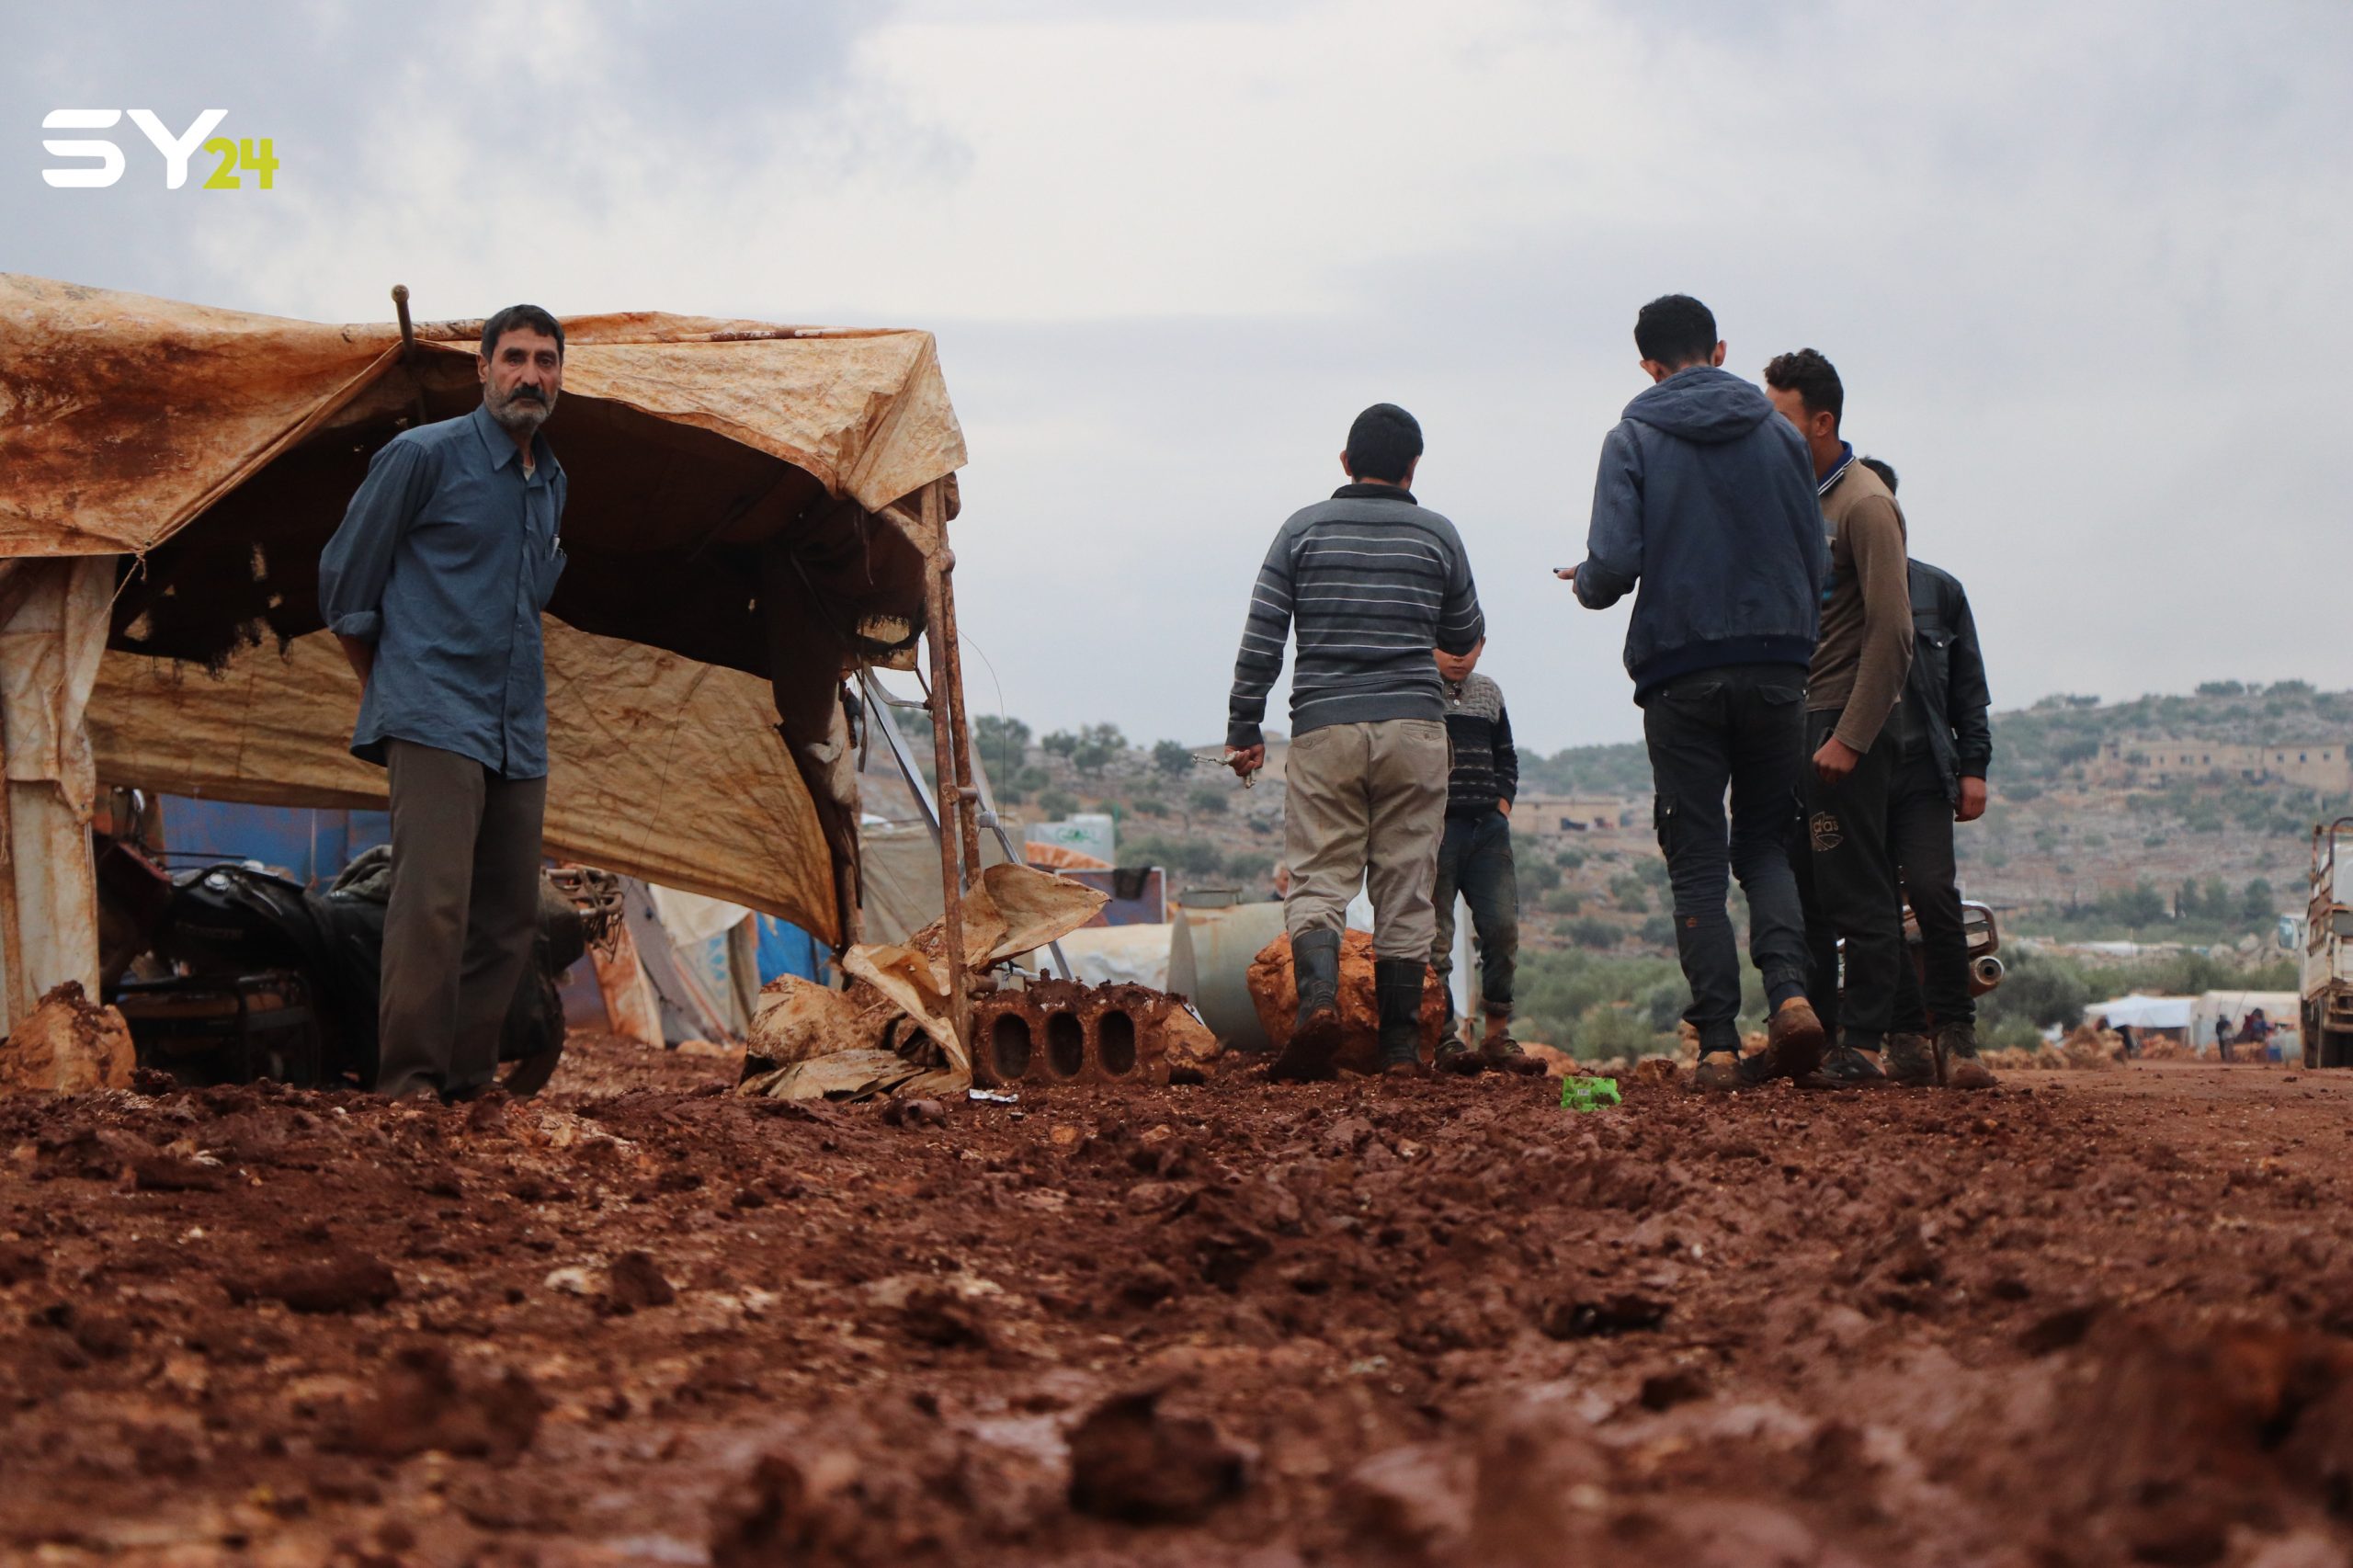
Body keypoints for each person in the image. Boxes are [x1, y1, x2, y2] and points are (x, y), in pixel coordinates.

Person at [1561, 295, 1830, 1087]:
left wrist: (1584, 585)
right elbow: (1816, 562)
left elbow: (1612, 569)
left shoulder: (1634, 436)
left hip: (1680, 672)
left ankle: (1716, 1043)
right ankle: (1790, 998)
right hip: (1780, 665)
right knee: (1766, 844)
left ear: (1647, 365)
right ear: (1718, 350)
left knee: (1699, 858)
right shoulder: (1782, 436)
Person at [318, 304, 571, 1100]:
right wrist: (391, 689)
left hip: (515, 726)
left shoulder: (552, 482)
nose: (530, 375)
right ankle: (409, 1086)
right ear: (484, 368)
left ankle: (466, 1084)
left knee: (507, 917)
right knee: (431, 907)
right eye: (515, 358)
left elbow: (528, 605)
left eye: (546, 361)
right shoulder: (422, 457)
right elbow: (344, 584)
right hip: (433, 714)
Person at [1226, 403, 1483, 1080]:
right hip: (1415, 728)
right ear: (1412, 468)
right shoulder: (1439, 536)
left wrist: (1244, 728)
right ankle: (1401, 1049)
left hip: (1325, 727)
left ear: (1345, 463)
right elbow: (1463, 635)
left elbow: (1262, 639)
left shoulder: (1301, 530)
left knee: (1318, 878)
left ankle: (1318, 1005)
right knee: (1406, 886)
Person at [1764, 348, 1913, 1088]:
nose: (1768, 427)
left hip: (1841, 726)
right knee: (1805, 894)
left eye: (1781, 416)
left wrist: (1851, 737)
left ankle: (1867, 1046)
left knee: (1859, 892)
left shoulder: (1865, 503)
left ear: (1822, 422)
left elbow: (1893, 632)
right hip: (1793, 720)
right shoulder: (1788, 498)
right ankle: (1818, 1040)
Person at [1427, 638, 1540, 1076]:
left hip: (1487, 831)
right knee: (1436, 939)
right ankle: (1445, 1041)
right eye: (1448, 646)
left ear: (1482, 645)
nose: (1459, 655)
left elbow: (1506, 757)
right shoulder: (1417, 692)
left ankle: (1496, 1037)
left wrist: (1502, 807)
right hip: (1436, 831)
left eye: (1468, 646)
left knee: (1502, 929)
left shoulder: (1489, 692)